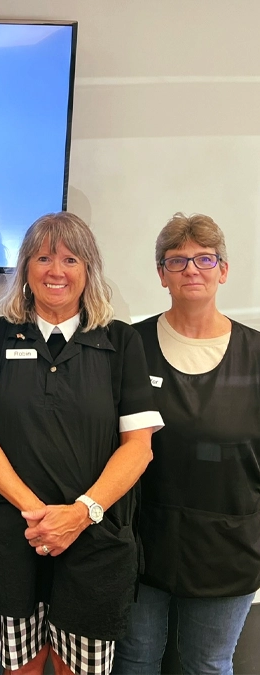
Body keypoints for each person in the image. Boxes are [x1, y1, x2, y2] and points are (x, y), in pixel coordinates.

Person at [0, 212, 164, 675]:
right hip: (14, 536)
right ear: (25, 268)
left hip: (94, 538)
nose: (56, 270)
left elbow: (139, 447)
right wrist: (39, 515)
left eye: (70, 259)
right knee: (22, 666)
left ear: (88, 270)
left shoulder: (120, 341)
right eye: (43, 257)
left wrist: (80, 513)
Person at [113, 214, 259, 675]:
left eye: (204, 258)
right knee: (135, 660)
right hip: (140, 538)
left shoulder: (256, 355)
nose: (191, 269)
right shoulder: (128, 345)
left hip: (229, 545)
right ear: (161, 275)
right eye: (177, 261)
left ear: (224, 269)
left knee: (208, 665)